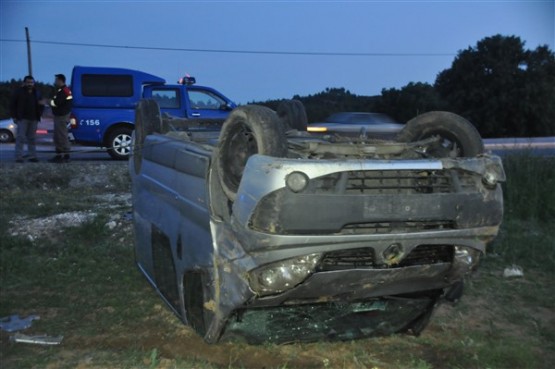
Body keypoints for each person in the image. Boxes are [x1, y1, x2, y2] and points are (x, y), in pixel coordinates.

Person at [10, 75, 43, 163]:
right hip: (22, 118)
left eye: (31, 82)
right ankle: (18, 157)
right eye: (28, 82)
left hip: (34, 118)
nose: (30, 84)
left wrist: (40, 113)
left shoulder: (37, 93)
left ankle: (32, 156)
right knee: (20, 137)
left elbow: (41, 104)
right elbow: (13, 104)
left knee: (32, 138)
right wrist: (14, 116)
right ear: (24, 83)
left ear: (34, 83)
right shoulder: (19, 92)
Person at [49, 73, 73, 163]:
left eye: (56, 80)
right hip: (60, 115)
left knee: (61, 136)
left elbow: (57, 103)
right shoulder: (62, 90)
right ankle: (59, 155)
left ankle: (66, 156)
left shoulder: (64, 91)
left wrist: (49, 102)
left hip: (62, 116)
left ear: (60, 80)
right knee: (58, 136)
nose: (55, 82)